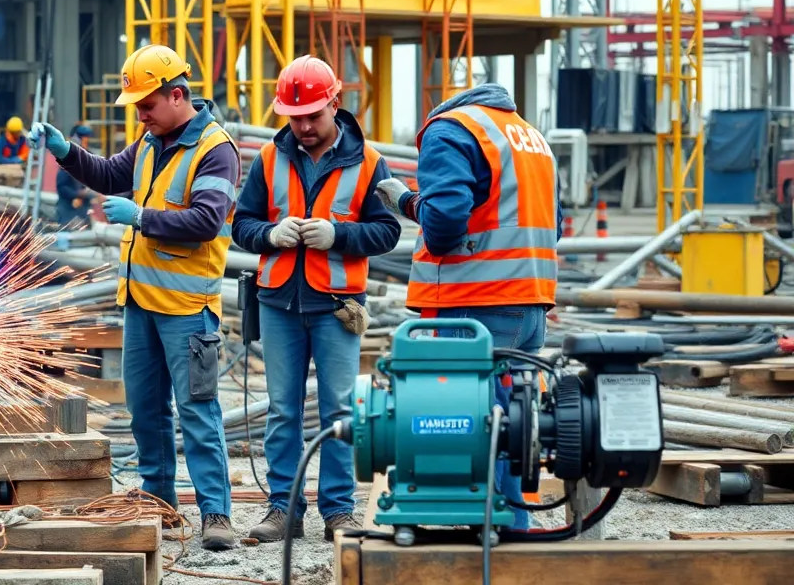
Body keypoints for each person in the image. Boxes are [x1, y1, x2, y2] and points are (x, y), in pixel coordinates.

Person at [29, 45, 240, 551]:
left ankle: (216, 515)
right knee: (146, 410)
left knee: (197, 411)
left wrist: (141, 217)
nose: (140, 116)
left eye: (147, 105)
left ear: (178, 94)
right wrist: (66, 153)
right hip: (142, 306)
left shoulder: (216, 150)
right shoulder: (151, 140)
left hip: (188, 312)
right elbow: (107, 175)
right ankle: (159, 502)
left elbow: (207, 221)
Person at [375, 83, 560, 531]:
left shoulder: (451, 130)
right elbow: (553, 224)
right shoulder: (528, 136)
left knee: (473, 423)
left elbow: (443, 223)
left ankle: (489, 532)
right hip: (530, 302)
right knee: (516, 424)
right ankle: (512, 527)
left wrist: (406, 201)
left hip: (474, 303)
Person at [232, 55, 401, 543]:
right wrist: (270, 234)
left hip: (337, 306)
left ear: (334, 103)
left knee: (340, 412)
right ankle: (282, 510)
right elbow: (241, 225)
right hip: (279, 302)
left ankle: (338, 511)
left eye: (312, 116)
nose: (303, 126)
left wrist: (339, 235)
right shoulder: (269, 158)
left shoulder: (370, 162)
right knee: (283, 410)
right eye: (294, 117)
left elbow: (389, 230)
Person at [56, 124, 96, 227]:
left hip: (83, 209)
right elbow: (62, 187)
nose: (86, 141)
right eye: (84, 138)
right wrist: (76, 195)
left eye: (87, 138)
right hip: (68, 209)